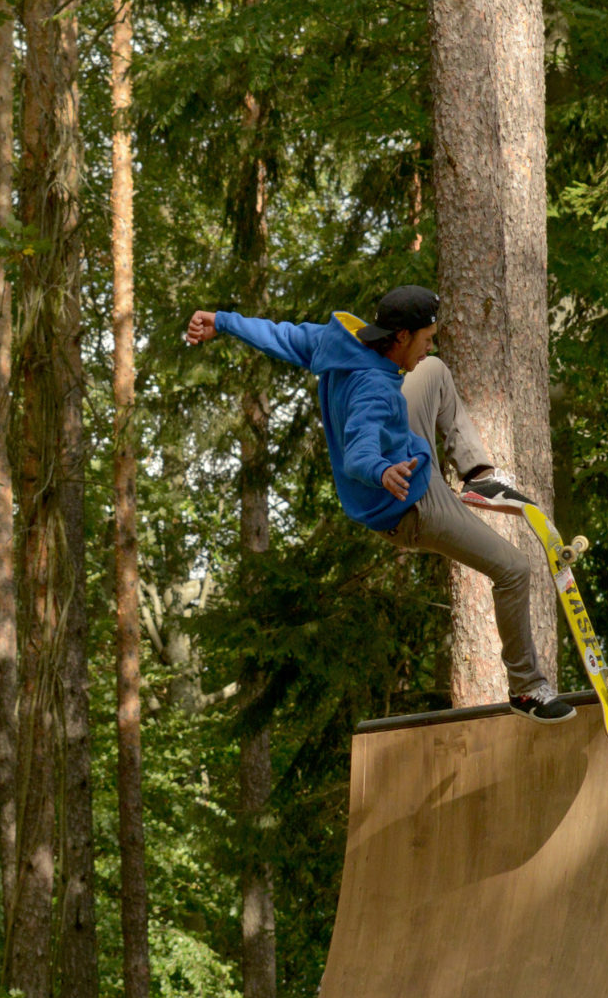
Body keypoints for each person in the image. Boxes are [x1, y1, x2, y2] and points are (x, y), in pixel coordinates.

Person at [184, 284, 573, 720]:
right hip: (412, 506)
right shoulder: (374, 393)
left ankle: (478, 476)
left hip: (408, 456)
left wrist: (222, 321)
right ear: (402, 336)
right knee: (514, 569)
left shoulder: (339, 341)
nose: (429, 346)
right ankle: (526, 689)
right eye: (426, 339)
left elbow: (282, 336)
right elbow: (359, 453)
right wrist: (381, 471)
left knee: (434, 373)